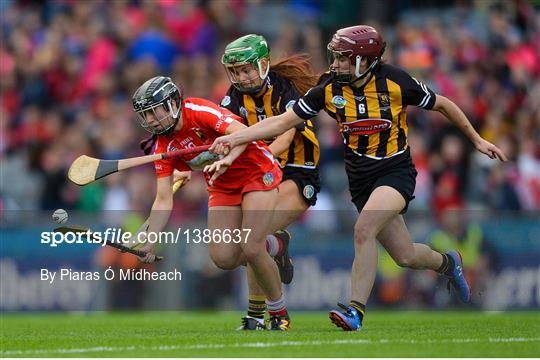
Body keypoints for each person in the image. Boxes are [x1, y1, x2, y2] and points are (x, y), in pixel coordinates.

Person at [210, 25, 507, 331]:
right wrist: (236, 138)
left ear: (364, 60)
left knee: (363, 228)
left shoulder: (395, 81)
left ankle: (355, 311)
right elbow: (282, 122)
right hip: (360, 179)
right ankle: (448, 262)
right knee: (405, 255)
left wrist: (476, 140)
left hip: (395, 171)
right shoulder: (328, 89)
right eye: (335, 57)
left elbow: (443, 104)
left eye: (342, 58)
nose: (334, 64)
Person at [131, 75, 291, 330]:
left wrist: (228, 156)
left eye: (153, 112)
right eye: (145, 115)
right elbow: (163, 199)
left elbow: (243, 134)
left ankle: (279, 314)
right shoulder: (163, 145)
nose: (149, 120)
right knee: (223, 258)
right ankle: (275, 245)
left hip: (256, 170)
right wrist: (150, 242)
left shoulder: (199, 111)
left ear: (172, 104)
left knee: (251, 247)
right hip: (221, 184)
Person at [220, 34, 321, 330]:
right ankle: (278, 245)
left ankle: (263, 317)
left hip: (297, 171)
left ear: (263, 65)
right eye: (236, 71)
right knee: (240, 249)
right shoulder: (232, 98)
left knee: (252, 240)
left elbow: (287, 133)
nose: (242, 77)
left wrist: (259, 155)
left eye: (247, 69)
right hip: (259, 176)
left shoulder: (284, 88)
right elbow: (223, 134)